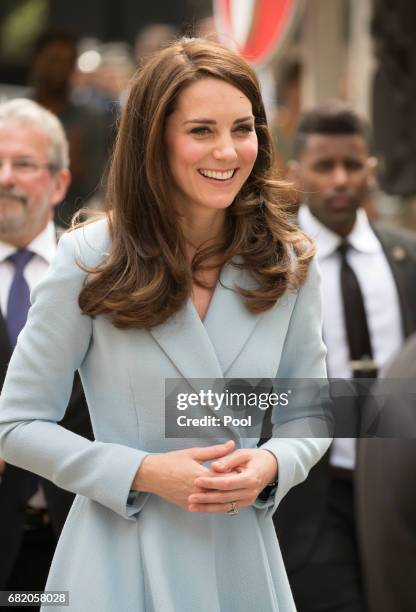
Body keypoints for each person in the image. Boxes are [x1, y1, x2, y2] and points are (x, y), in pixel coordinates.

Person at [0, 38, 330, 612]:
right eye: (201, 130)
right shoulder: (87, 257)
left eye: (243, 128)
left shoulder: (289, 261)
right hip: (116, 564)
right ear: (154, 140)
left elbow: (314, 410)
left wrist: (274, 463)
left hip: (241, 563)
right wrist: (143, 472)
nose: (227, 151)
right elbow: (16, 422)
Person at [274, 101, 416, 612]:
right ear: (295, 174)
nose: (340, 179)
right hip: (315, 497)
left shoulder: (407, 258)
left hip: (400, 490)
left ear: (371, 170)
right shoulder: (269, 267)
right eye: (323, 166)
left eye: (352, 166)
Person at [0, 99, 92, 608]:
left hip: (82, 534)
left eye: (23, 164)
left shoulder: (104, 275)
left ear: (59, 183)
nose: (5, 177)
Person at [30, 29, 111, 227]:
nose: (59, 68)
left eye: (67, 62)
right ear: (37, 61)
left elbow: (100, 184)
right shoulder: (14, 115)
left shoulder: (93, 120)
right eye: (53, 60)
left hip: (73, 224)